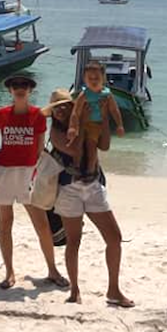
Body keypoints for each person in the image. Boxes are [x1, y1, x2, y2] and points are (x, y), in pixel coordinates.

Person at [45, 88, 134, 308]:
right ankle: (74, 289)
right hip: (68, 189)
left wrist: (101, 118)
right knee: (74, 241)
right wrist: (83, 126)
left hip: (93, 186)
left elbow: (105, 145)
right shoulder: (55, 133)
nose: (62, 110)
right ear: (52, 113)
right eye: (57, 108)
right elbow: (74, 150)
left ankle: (113, 289)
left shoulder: (86, 122)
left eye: (66, 105)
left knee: (114, 238)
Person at [0, 73, 68, 289]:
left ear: (30, 90)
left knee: (42, 224)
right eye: (15, 85)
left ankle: (52, 270)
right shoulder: (1, 114)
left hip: (28, 174)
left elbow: (39, 151)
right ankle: (9, 272)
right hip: (4, 174)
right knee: (5, 223)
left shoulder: (37, 116)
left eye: (24, 85)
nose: (20, 88)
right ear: (9, 90)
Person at [67, 61, 124, 173]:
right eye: (90, 78)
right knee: (83, 146)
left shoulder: (107, 94)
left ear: (103, 78)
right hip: (86, 124)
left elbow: (114, 110)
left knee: (94, 146)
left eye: (97, 78)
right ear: (84, 79)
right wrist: (72, 127)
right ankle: (80, 166)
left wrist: (119, 125)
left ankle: (90, 170)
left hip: (98, 124)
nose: (93, 81)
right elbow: (76, 112)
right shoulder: (84, 94)